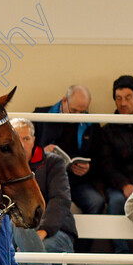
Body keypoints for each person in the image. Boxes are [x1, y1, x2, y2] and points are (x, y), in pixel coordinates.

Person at [32, 85, 103, 215]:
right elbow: (25, 152)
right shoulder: (41, 116)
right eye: (74, 110)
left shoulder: (92, 124)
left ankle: (87, 236)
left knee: (96, 202)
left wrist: (88, 168)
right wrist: (42, 152)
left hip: (76, 182)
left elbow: (99, 159)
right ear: (64, 101)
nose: (77, 116)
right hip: (46, 179)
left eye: (82, 112)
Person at [11, 118, 77, 255]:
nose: (22, 145)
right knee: (15, 249)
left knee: (25, 254)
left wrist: (43, 231)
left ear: (34, 141)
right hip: (15, 236)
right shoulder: (3, 167)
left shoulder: (53, 162)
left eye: (26, 139)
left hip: (56, 233)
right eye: (17, 139)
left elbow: (60, 199)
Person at [97, 75, 133, 253]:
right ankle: (121, 252)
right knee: (116, 203)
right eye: (118, 98)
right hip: (118, 186)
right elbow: (106, 165)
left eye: (128, 98)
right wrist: (124, 185)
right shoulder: (107, 131)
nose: (123, 103)